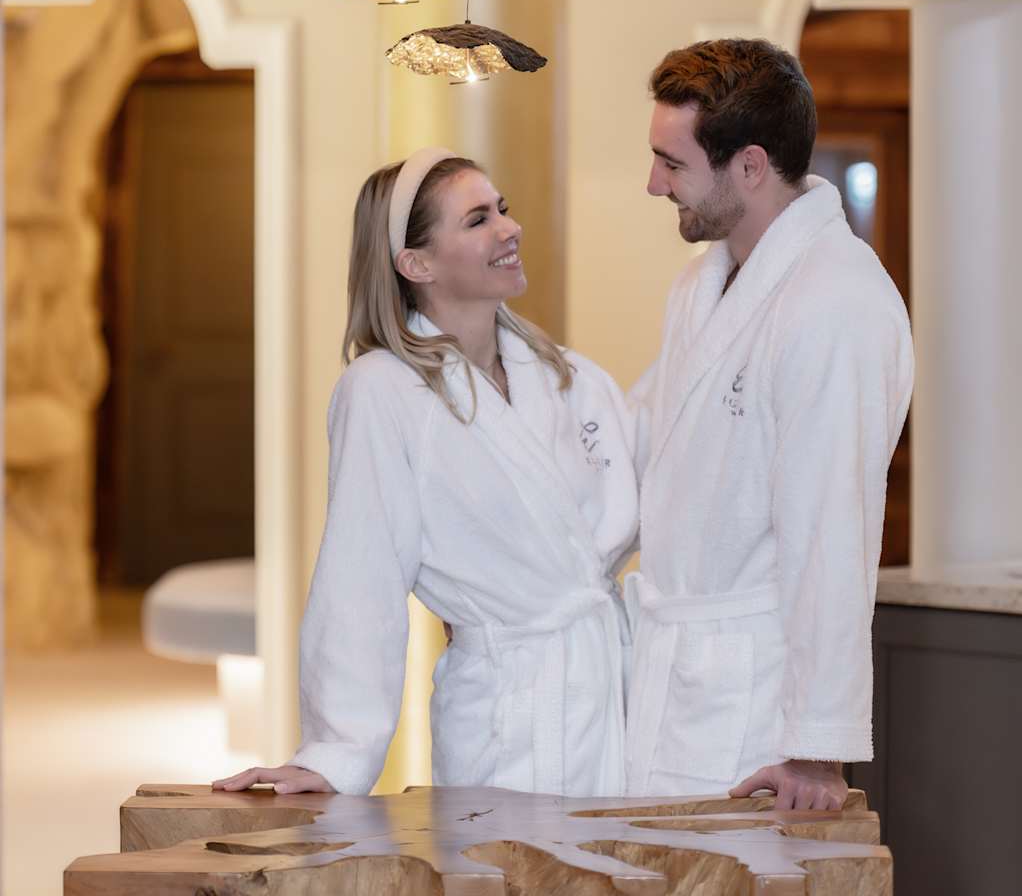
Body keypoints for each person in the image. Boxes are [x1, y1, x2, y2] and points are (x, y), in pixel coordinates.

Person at [215, 148, 638, 798]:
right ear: (417, 264)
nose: (510, 228)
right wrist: (336, 750)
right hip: (504, 719)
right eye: (478, 219)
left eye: (503, 209)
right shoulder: (382, 391)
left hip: (616, 699)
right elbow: (361, 575)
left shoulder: (569, 375)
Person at [625, 40, 914, 810]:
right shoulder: (700, 285)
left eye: (672, 163)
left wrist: (815, 750)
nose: (653, 183)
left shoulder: (836, 301)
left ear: (749, 166)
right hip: (672, 682)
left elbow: (833, 531)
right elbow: (644, 448)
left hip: (757, 712)